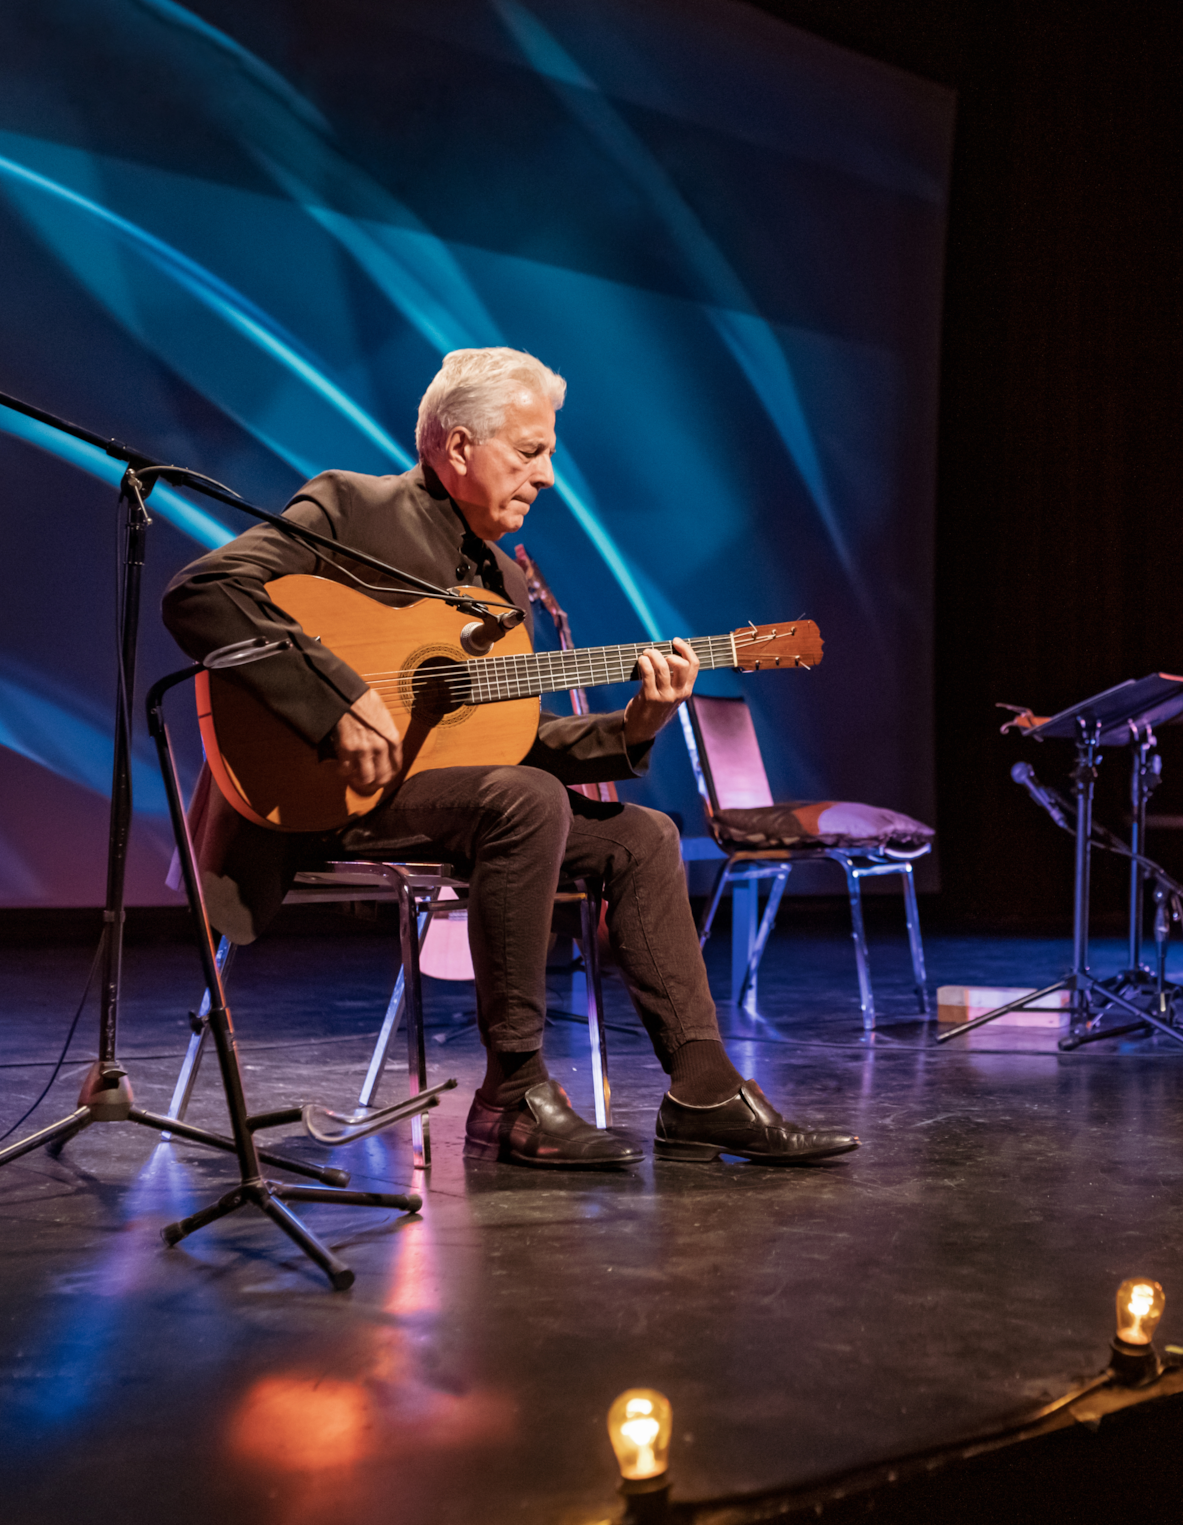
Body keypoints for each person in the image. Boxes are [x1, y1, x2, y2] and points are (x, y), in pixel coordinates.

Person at [161, 346, 855, 1170]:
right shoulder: (353, 506)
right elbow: (203, 592)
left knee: (643, 836)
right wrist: (334, 699)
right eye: (530, 452)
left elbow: (504, 741)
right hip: (319, 795)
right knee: (525, 799)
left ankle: (704, 1093)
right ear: (459, 447)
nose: (548, 476)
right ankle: (512, 1091)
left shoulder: (504, 583)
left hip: (449, 803)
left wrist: (636, 724)